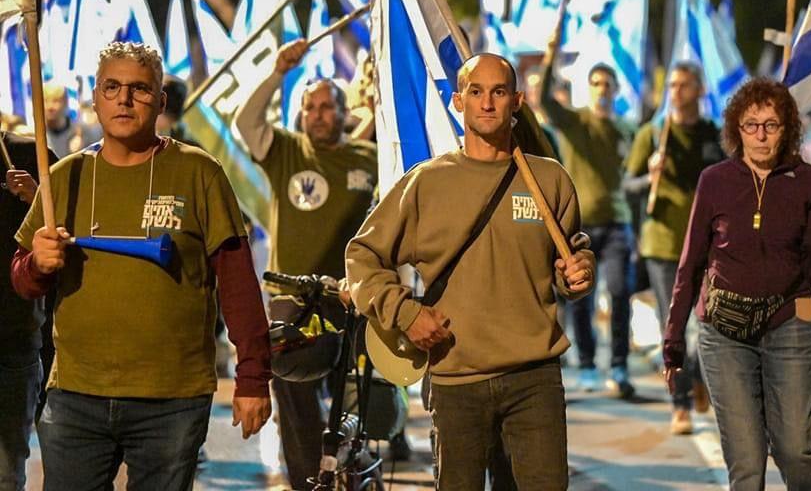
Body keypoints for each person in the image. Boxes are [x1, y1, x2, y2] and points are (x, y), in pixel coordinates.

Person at [10, 42, 272, 490]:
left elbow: (237, 282)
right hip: (76, 394)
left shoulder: (200, 172)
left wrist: (252, 377)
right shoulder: (64, 177)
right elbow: (23, 281)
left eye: (139, 89)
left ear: (161, 101)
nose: (124, 100)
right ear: (95, 97)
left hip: (171, 398)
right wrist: (37, 264)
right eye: (112, 87)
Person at [346, 53, 596, 490]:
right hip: (455, 378)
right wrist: (405, 313)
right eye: (475, 92)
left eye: (498, 91)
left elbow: (570, 256)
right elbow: (362, 256)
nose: (487, 102)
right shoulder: (426, 183)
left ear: (517, 100)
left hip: (533, 378)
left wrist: (579, 272)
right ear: (458, 102)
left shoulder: (548, 179)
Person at [663, 78, 811, 490]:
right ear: (736, 129)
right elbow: (690, 263)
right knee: (746, 463)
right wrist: (673, 338)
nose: (761, 135)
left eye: (771, 124)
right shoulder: (715, 180)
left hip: (789, 323)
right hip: (724, 331)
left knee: (796, 449)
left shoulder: (810, 180)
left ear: (788, 128)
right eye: (751, 124)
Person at [235, 38, 379, 489]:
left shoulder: (370, 159)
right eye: (310, 107)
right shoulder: (284, 151)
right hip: (291, 307)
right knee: (296, 407)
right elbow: (245, 120)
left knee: (353, 405)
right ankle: (305, 483)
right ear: (300, 115)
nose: (318, 113)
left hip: (350, 303)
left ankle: (348, 474)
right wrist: (277, 71)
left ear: (343, 112)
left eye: (327, 106)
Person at [624, 63, 723, 434]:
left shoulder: (712, 136)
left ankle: (696, 375)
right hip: (663, 245)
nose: (677, 92)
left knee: (707, 323)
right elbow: (627, 187)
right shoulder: (651, 136)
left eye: (685, 85)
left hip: (706, 246)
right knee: (675, 325)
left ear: (699, 90)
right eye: (673, 86)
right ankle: (679, 403)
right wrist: (649, 176)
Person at [540, 59, 635, 396]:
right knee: (581, 297)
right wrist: (550, 59)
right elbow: (546, 101)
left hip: (618, 224)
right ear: (589, 87)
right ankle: (588, 364)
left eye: (607, 84)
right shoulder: (576, 122)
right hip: (580, 226)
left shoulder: (627, 129)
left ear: (616, 90)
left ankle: (620, 365)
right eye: (595, 83)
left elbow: (635, 176)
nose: (601, 89)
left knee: (621, 291)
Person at [1, 130, 55, 491]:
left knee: (6, 474)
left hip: (14, 342)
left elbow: (69, 231)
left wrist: (37, 198)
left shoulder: (27, 154)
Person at [42, 83, 101, 158]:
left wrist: (80, 153)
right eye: (46, 101)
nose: (50, 106)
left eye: (55, 101)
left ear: (65, 103)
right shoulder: (37, 136)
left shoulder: (83, 131)